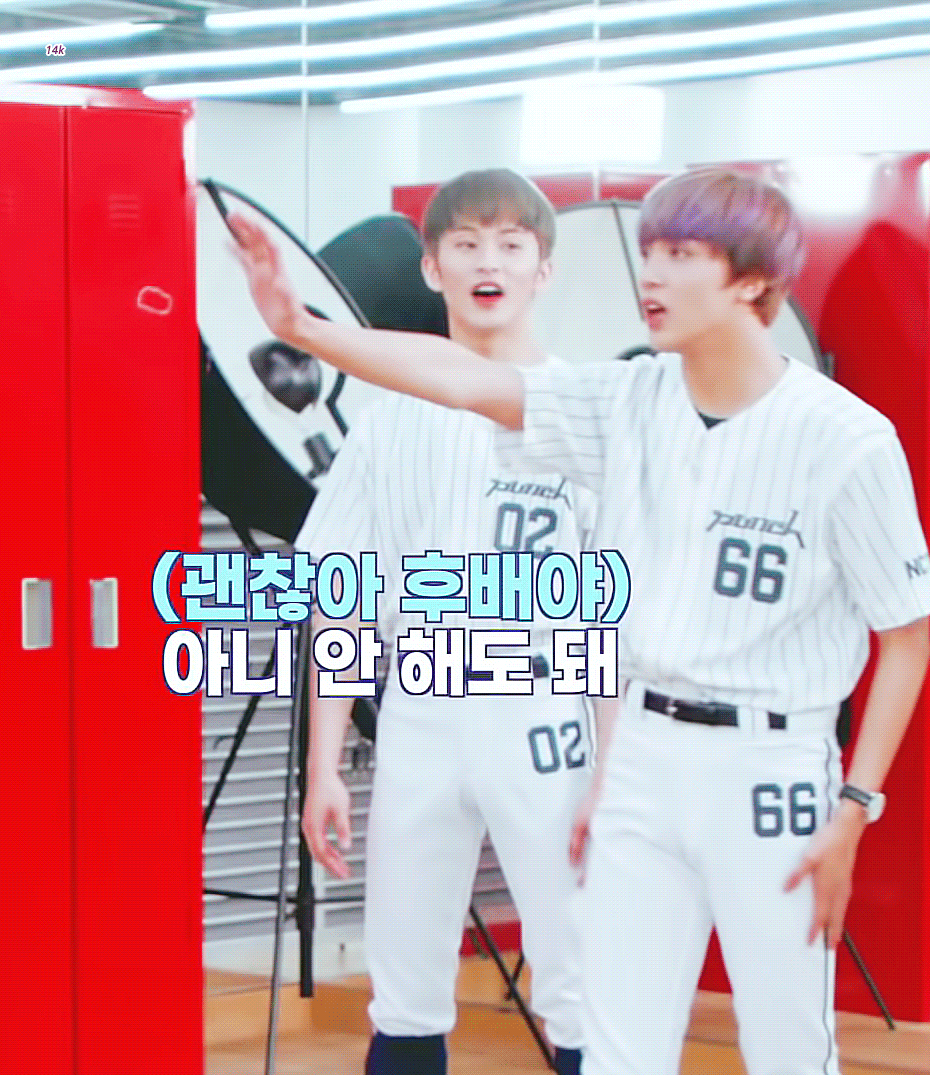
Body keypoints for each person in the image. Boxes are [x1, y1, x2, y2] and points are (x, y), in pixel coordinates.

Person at [232, 166, 930, 1075]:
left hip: (646, 737)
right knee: (555, 1018)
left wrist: (849, 803)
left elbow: (898, 633)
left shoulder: (826, 434)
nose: (652, 273)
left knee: (746, 1028)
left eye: (679, 254)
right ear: (431, 266)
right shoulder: (601, 404)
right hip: (499, 719)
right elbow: (452, 395)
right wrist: (300, 326)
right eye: (649, 252)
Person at [290, 169, 604, 1075]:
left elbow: (615, 617)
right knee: (404, 980)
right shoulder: (385, 422)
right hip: (421, 708)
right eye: (464, 244)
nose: (486, 262)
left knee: (579, 976)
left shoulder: (589, 411)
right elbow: (342, 593)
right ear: (432, 268)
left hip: (543, 711)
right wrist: (324, 763)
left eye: (509, 244)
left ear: (543, 267)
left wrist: (615, 766)